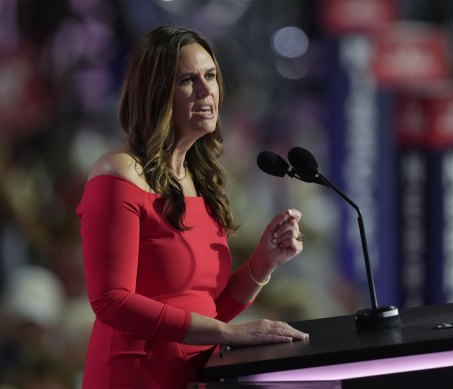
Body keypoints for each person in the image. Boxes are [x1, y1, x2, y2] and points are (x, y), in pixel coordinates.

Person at [76, 25, 308, 388]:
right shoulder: (118, 173)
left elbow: (207, 309)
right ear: (156, 93)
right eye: (188, 80)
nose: (206, 91)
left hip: (194, 374)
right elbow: (111, 301)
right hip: (133, 375)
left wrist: (263, 263)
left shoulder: (201, 181)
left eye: (211, 76)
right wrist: (230, 334)